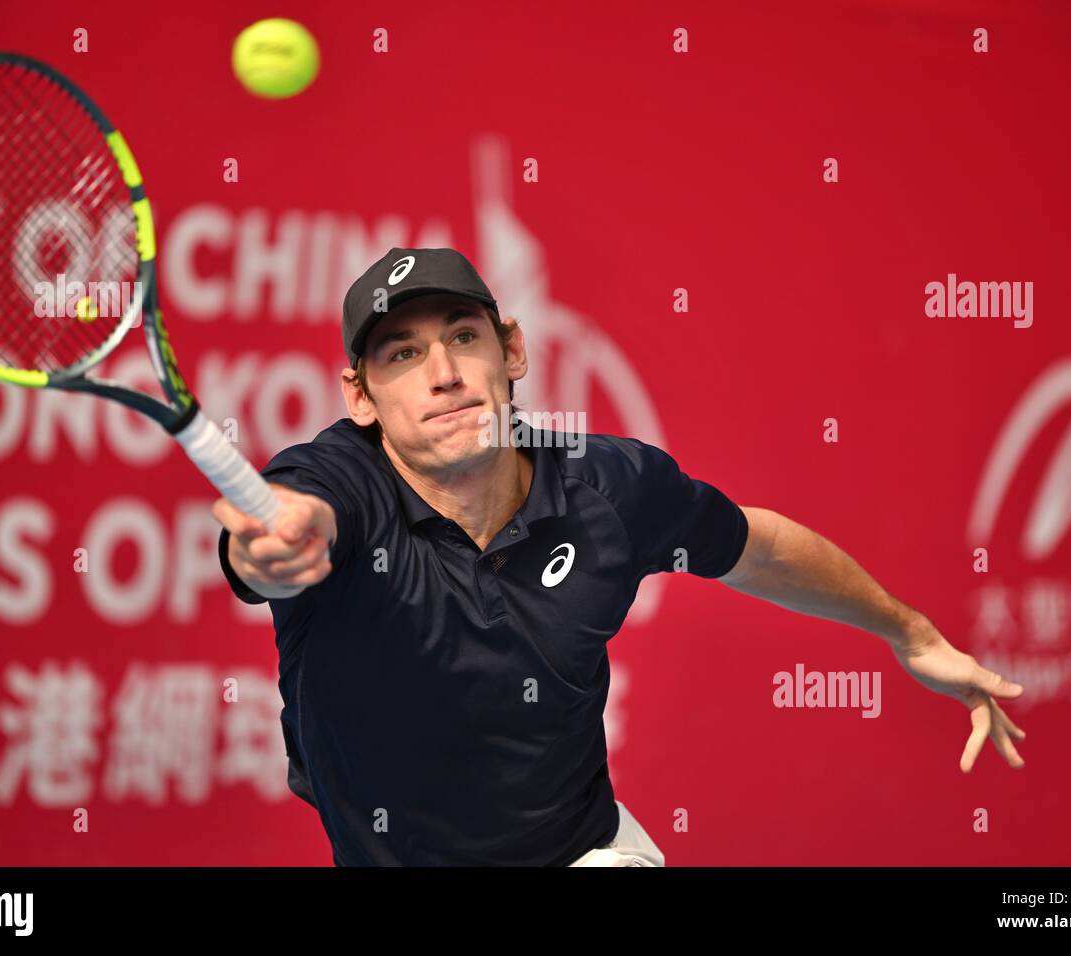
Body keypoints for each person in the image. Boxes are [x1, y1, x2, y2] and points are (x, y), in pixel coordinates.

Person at [213, 246, 1027, 867]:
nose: (446, 375)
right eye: (402, 354)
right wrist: (274, 544)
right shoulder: (338, 479)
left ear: (513, 351)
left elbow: (762, 548)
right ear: (359, 396)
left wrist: (906, 631)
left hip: (587, 855)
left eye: (464, 337)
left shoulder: (605, 486)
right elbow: (291, 519)